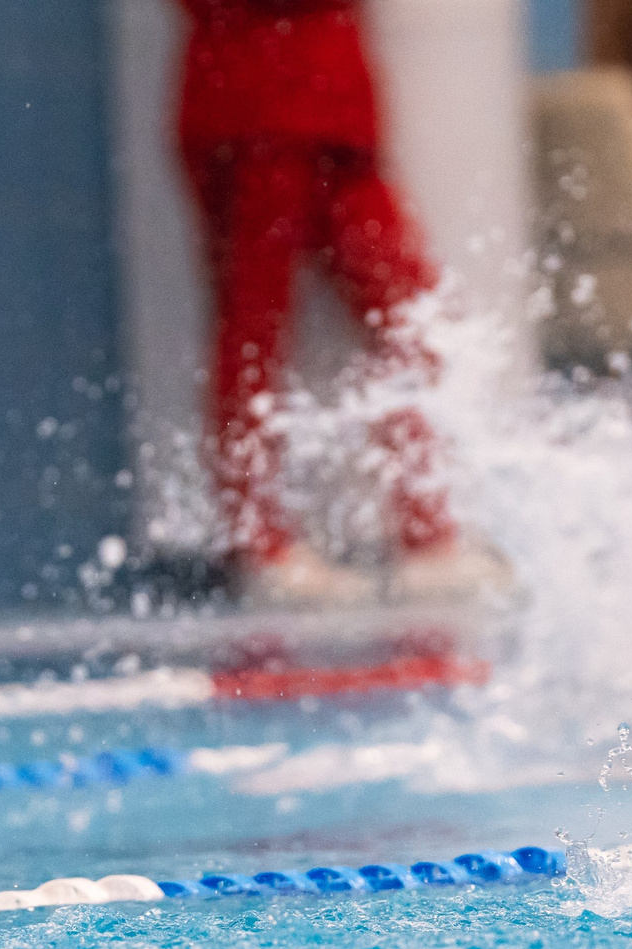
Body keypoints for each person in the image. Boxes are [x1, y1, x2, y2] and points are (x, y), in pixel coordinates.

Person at [176, 0, 495, 607]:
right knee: (253, 332)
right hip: (253, 101)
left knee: (411, 317)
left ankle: (426, 532)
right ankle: (257, 540)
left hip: (333, 107)